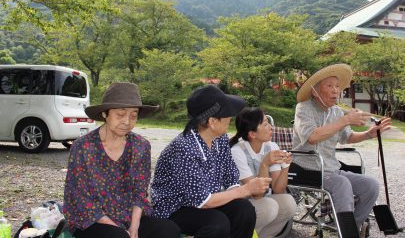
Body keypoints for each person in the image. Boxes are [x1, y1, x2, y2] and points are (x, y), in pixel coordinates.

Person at [151, 85, 272, 238]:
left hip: (205, 201)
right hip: (174, 207)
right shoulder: (184, 148)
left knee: (244, 209)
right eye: (227, 114)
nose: (230, 118)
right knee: (217, 223)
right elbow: (203, 201)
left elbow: (230, 177)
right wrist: (246, 189)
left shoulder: (220, 139)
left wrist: (247, 189)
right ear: (212, 121)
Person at [63, 82, 181, 238]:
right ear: (105, 114)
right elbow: (80, 199)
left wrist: (134, 227)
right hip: (92, 219)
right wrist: (120, 231)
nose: (127, 121)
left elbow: (140, 192)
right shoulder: (83, 147)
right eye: (120, 114)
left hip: (127, 215)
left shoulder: (141, 146)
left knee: (169, 230)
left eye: (133, 115)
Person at [292, 64, 391, 234]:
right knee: (342, 184)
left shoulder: (337, 112)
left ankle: (349, 229)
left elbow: (347, 137)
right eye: (329, 86)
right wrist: (345, 120)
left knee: (371, 185)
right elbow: (312, 136)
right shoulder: (304, 108)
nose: (335, 91)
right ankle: (347, 231)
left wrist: (369, 134)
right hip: (307, 168)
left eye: (337, 86)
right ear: (315, 91)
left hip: (331, 169)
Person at [230, 107, 297, 238]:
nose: (271, 127)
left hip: (261, 202)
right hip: (241, 207)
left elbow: (278, 189)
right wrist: (265, 164)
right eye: (265, 124)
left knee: (289, 203)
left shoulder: (271, 146)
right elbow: (257, 195)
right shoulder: (237, 151)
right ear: (252, 134)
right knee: (269, 206)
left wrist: (286, 165)